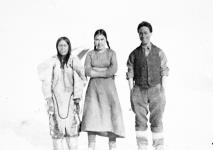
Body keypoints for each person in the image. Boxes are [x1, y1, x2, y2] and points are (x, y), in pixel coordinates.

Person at [37, 37, 86, 150]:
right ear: (57, 47)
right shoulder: (52, 61)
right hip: (55, 99)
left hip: (71, 100)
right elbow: (46, 80)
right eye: (60, 45)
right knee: (56, 129)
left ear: (69, 46)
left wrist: (77, 97)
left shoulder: (74, 60)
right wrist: (48, 98)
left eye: (65, 45)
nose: (62, 48)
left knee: (72, 130)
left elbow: (81, 77)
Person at [126, 21, 169, 150]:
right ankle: (142, 147)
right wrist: (131, 91)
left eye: (145, 32)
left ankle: (159, 146)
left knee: (156, 120)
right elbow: (130, 73)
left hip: (156, 89)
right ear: (138, 35)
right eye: (140, 33)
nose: (143, 35)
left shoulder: (159, 52)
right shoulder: (133, 54)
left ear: (151, 33)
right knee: (140, 121)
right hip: (138, 90)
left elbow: (164, 71)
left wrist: (162, 90)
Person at [81, 29, 125, 150]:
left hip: (109, 90)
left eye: (102, 39)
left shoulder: (111, 53)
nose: (99, 42)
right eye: (97, 39)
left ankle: (112, 147)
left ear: (106, 40)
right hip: (93, 91)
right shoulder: (90, 54)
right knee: (91, 118)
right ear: (93, 40)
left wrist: (96, 71)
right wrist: (104, 72)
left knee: (111, 117)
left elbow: (113, 69)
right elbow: (87, 71)